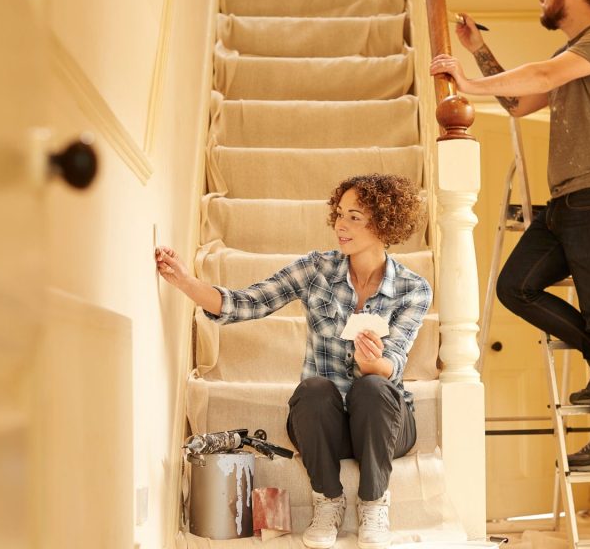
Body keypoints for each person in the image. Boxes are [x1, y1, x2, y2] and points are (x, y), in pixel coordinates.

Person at [429, 0, 590, 472]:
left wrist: (468, 82)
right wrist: (478, 49)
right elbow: (518, 103)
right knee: (515, 287)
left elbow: (542, 79)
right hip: (568, 203)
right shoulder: (570, 59)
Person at [155, 174, 431, 548]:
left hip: (384, 427)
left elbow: (393, 363)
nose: (340, 225)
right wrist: (187, 282)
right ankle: (327, 500)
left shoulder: (413, 289)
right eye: (340, 213)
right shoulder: (317, 269)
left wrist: (374, 362)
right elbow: (249, 302)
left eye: (355, 217)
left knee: (373, 387)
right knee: (314, 389)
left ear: (384, 222)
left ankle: (373, 502)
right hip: (323, 428)